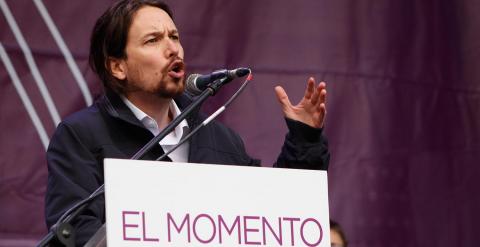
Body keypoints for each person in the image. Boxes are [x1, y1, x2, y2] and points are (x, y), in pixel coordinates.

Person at [44, 0, 330, 245]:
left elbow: (275, 220)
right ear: (118, 66)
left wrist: (305, 137)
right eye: (153, 40)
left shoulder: (221, 140)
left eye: (174, 37)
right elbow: (75, 232)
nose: (173, 50)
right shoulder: (81, 136)